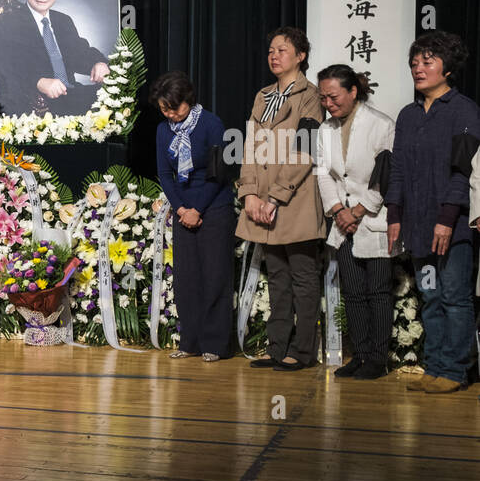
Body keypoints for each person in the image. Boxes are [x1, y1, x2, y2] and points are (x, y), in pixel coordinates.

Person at [385, 31, 480, 394]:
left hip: (451, 227)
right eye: (414, 62)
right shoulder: (408, 115)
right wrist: (394, 215)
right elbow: (397, 171)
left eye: (427, 62)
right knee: (430, 295)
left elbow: (464, 171)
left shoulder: (464, 110)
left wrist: (447, 216)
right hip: (417, 226)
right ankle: (436, 365)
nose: (418, 68)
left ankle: (455, 371)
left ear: (448, 68)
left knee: (455, 296)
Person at [236, 26, 325, 370]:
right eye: (271, 50)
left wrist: (273, 197)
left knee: (303, 277)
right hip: (262, 203)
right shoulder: (263, 96)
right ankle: (277, 347)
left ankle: (302, 352)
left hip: (295, 201)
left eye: (283, 50)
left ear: (301, 56)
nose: (274, 56)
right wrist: (249, 194)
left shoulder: (310, 95)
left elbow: (305, 150)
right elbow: (250, 147)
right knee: (276, 277)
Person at [313, 65, 395, 380]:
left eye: (333, 97)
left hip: (374, 220)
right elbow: (323, 173)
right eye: (323, 98)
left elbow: (386, 177)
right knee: (353, 291)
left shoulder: (381, 125)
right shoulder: (325, 129)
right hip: (342, 222)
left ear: (353, 92)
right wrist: (337, 209)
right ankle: (359, 355)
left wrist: (358, 211)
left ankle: (378, 359)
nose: (328, 104)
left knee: (378, 290)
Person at [151, 71, 232, 361]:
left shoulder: (211, 124)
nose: (170, 114)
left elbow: (219, 174)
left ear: (189, 100)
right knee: (187, 278)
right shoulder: (163, 130)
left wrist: (197, 209)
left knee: (214, 276)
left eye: (175, 108)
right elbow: (164, 173)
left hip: (213, 207)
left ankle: (215, 344)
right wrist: (182, 208)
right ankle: (190, 341)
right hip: (184, 208)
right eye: (164, 109)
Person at [0, 0, 110, 117]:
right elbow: (5, 65)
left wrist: (98, 62)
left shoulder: (63, 20)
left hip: (70, 94)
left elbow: (80, 53)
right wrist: (38, 81)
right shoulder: (8, 23)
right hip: (33, 101)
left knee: (116, 98)